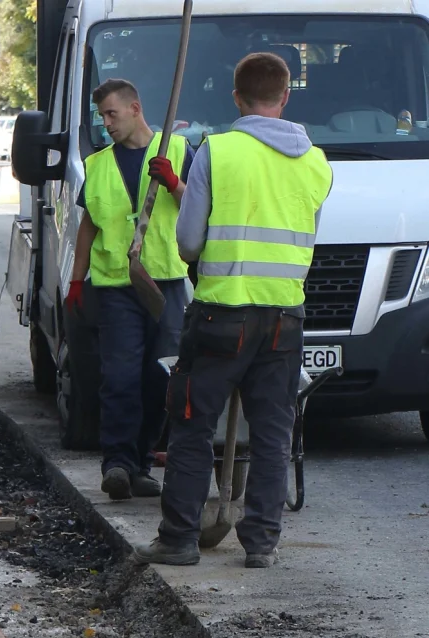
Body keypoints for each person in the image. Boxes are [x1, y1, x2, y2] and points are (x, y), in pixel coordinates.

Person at [134, 52, 333, 568]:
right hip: (286, 318)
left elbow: (191, 243)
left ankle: (179, 538)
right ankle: (262, 542)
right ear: (286, 96)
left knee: (192, 424)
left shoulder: (216, 152)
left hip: (222, 315)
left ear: (236, 97)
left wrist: (182, 195)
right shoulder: (316, 161)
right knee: (272, 434)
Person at [67, 78, 195, 501]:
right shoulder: (100, 163)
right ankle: (117, 464)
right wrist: (75, 279)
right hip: (118, 286)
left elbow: (202, 208)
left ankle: (141, 462)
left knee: (159, 379)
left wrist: (174, 183)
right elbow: (88, 226)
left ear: (135, 109)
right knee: (120, 376)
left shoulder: (176, 151)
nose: (106, 124)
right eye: (102, 116)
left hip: (167, 283)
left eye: (111, 114)